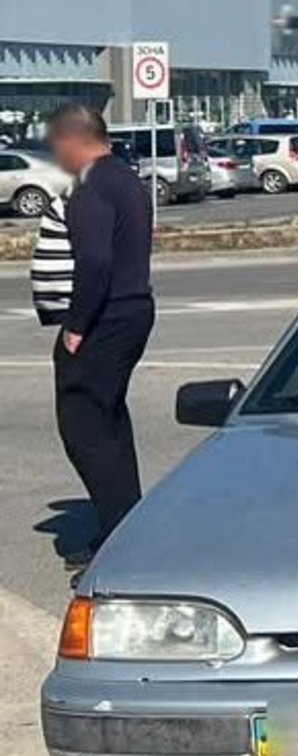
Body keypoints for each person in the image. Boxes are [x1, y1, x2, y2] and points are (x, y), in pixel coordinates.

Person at [44, 103, 154, 560]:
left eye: (56, 145)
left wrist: (76, 325)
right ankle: (124, 524)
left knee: (84, 428)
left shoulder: (91, 186)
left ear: (73, 140)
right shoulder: (126, 178)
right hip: (133, 312)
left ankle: (119, 545)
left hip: (104, 320)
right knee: (110, 422)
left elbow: (94, 260)